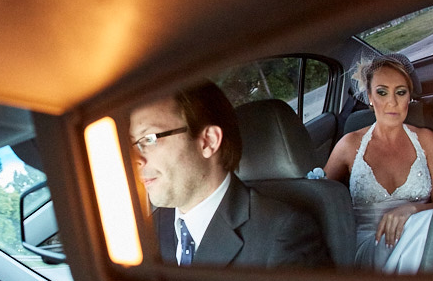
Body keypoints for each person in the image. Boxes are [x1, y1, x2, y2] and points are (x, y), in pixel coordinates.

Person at [129, 81, 330, 268]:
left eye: (148, 139)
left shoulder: (282, 234)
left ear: (208, 142)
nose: (135, 159)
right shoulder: (150, 228)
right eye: (132, 144)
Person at [324, 54, 433, 272]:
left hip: (423, 238)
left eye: (401, 92)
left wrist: (412, 209)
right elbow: (320, 201)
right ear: (370, 97)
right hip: (368, 247)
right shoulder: (349, 145)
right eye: (382, 92)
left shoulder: (426, 140)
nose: (392, 102)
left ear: (409, 96)